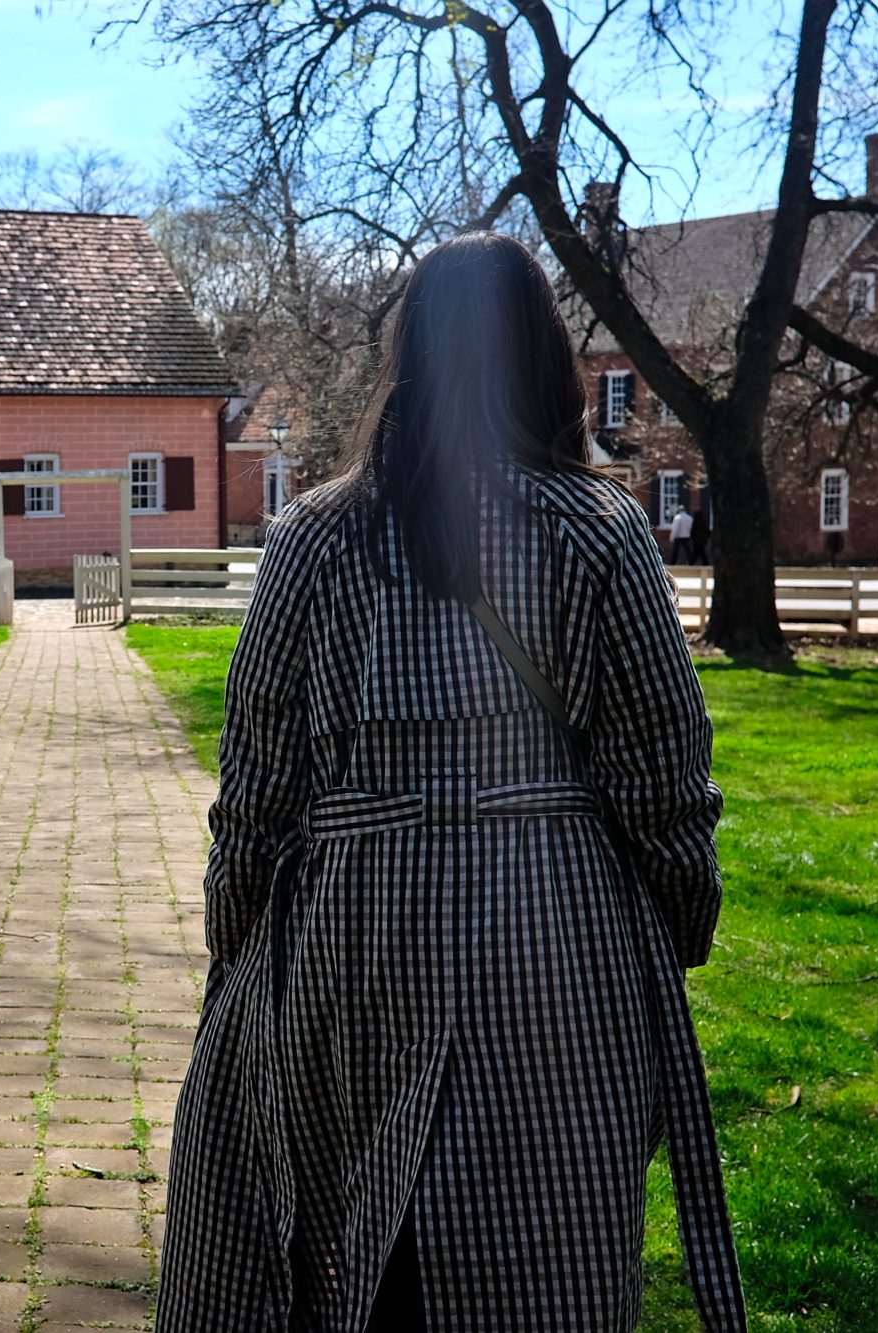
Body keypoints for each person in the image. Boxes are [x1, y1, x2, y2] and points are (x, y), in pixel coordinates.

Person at [158, 233, 745, 1333]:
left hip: (350, 937)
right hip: (554, 943)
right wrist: (669, 930)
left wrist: (235, 948)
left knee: (347, 1252)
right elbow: (665, 781)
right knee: (542, 1255)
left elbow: (252, 792)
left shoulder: (312, 537)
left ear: (406, 358)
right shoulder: (598, 531)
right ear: (542, 360)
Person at [690, 496, 713, 564]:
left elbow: (693, 531)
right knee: (701, 552)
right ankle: (705, 563)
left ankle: (691, 562)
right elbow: (707, 531)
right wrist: (707, 536)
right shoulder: (704, 522)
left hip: (697, 540)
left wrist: (692, 537)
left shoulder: (695, 522)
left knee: (697, 552)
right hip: (702, 540)